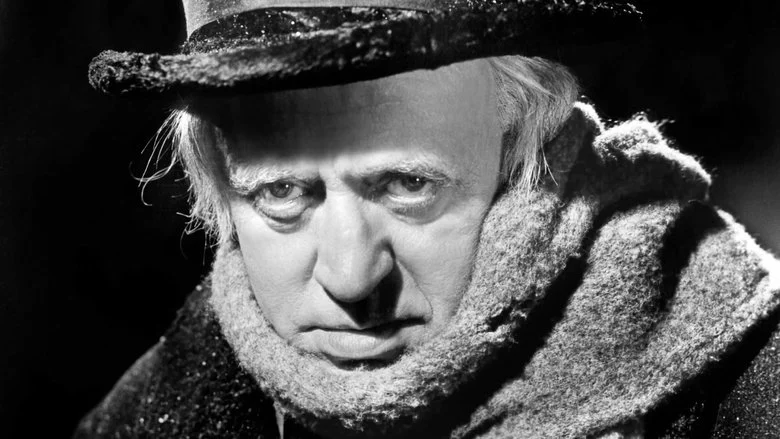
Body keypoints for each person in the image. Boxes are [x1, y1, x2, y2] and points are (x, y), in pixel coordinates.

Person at [76, 1, 780, 438]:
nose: (353, 277)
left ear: (521, 147)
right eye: (282, 192)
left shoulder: (748, 386)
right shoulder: (155, 411)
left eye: (409, 184)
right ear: (221, 188)